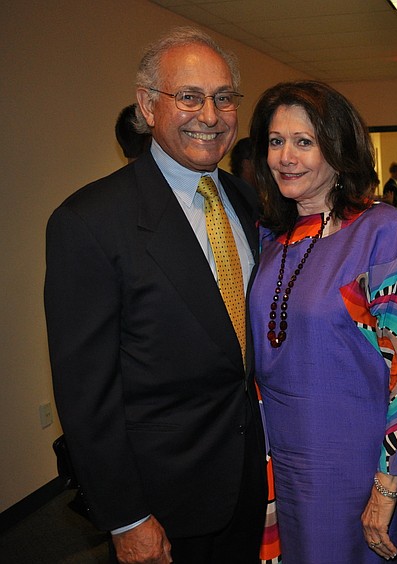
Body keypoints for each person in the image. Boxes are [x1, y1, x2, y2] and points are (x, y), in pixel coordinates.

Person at [45, 27, 267, 564]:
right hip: (162, 503)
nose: (210, 116)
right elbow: (86, 395)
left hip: (249, 480)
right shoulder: (89, 222)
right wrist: (126, 516)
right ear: (147, 107)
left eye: (223, 98)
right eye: (189, 97)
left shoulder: (242, 196)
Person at [247, 80, 397, 563]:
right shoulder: (269, 238)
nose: (285, 156)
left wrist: (387, 485)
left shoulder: (379, 232)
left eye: (304, 142)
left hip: (350, 467)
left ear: (337, 151)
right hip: (276, 459)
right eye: (275, 141)